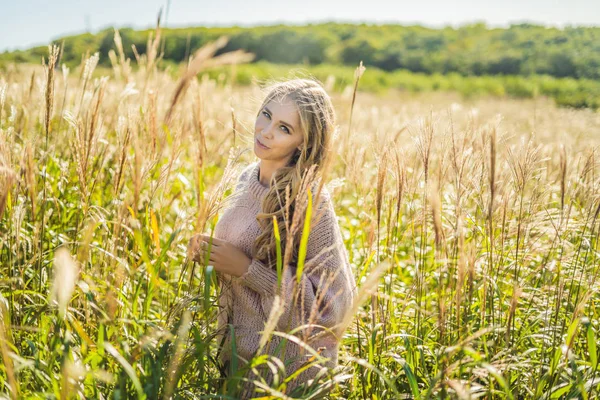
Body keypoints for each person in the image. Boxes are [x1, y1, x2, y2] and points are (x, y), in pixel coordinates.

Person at [187, 78, 357, 397]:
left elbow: (333, 307)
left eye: (284, 128)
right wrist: (209, 252)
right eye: (266, 115)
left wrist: (249, 271)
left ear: (303, 144)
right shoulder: (245, 178)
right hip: (237, 362)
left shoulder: (310, 200)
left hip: (286, 375)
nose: (265, 131)